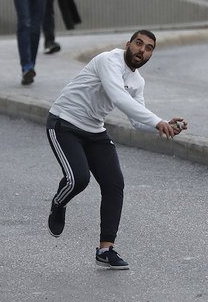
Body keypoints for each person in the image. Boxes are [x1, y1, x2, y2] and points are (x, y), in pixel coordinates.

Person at [45, 30, 187, 270]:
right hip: (64, 123)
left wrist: (164, 126)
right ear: (128, 44)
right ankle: (59, 204)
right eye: (138, 44)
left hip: (94, 130)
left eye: (149, 48)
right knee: (78, 179)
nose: (142, 50)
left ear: (151, 54)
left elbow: (136, 120)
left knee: (114, 185)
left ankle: (105, 249)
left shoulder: (137, 81)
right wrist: (157, 120)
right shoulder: (108, 60)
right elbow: (118, 98)